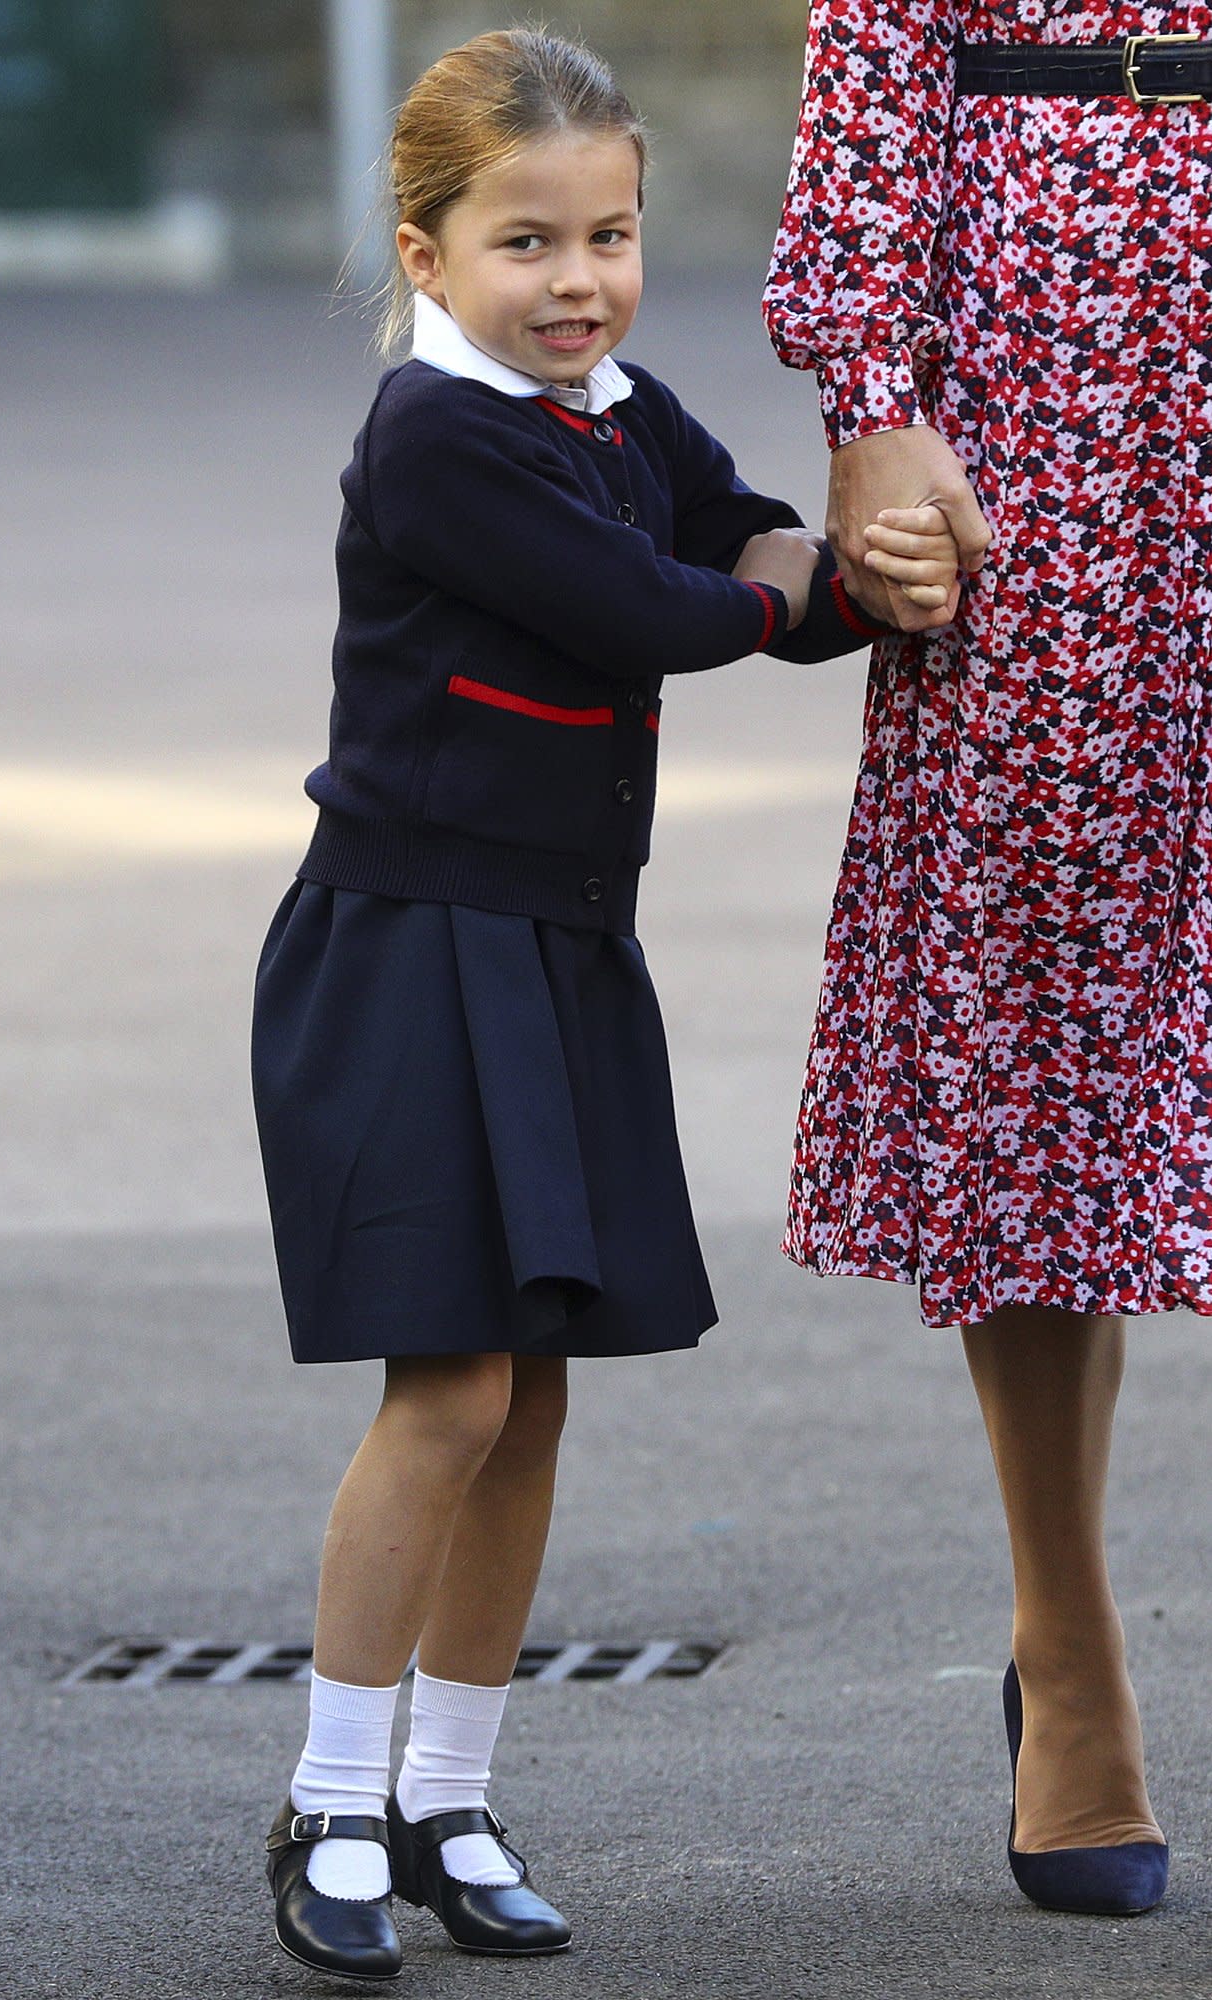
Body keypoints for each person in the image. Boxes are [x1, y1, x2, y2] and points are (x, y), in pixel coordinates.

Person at [251, 26, 956, 1984]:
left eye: (613, 234)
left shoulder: (612, 407)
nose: (577, 281)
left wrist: (845, 574)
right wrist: (837, 588)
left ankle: (448, 1798)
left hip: (559, 948)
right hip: (409, 947)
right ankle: (327, 1802)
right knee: (450, 1385)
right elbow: (659, 602)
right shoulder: (438, 436)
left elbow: (727, 527)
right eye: (527, 243)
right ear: (426, 251)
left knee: (533, 1388)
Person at [764, 0, 1209, 1919]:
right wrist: (875, 407)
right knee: (1039, 1034)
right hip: (1037, 373)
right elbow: (873, 66)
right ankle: (1070, 1648)